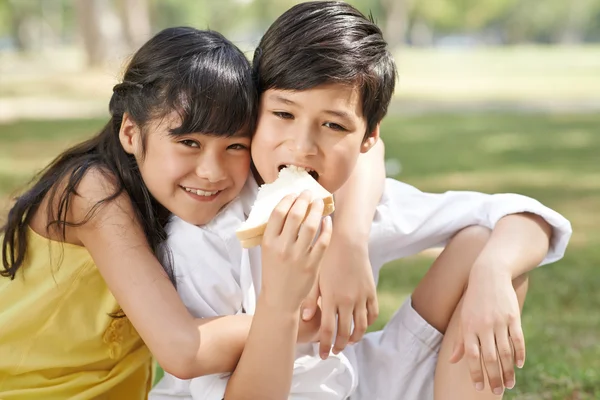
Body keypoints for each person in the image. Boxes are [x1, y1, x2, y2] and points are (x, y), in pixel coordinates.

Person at [151, 2, 572, 400]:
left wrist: (493, 274)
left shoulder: (353, 202)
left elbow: (522, 216)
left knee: (485, 246)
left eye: (333, 125)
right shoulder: (206, 228)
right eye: (283, 114)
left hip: (358, 385)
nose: (302, 146)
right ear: (253, 108)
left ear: (368, 137)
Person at [0, 26, 368, 399]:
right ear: (130, 131)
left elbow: (367, 142)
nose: (212, 171)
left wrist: (349, 247)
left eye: (235, 145)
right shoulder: (93, 191)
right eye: (189, 142)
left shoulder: (184, 181)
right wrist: (305, 319)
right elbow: (184, 350)